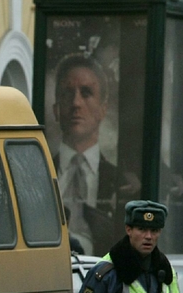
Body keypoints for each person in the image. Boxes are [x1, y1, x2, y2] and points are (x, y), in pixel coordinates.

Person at [52, 54, 133, 256]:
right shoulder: (38, 176)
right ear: (56, 110)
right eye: (67, 93)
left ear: (102, 110)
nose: (76, 103)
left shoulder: (122, 182)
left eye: (86, 93)